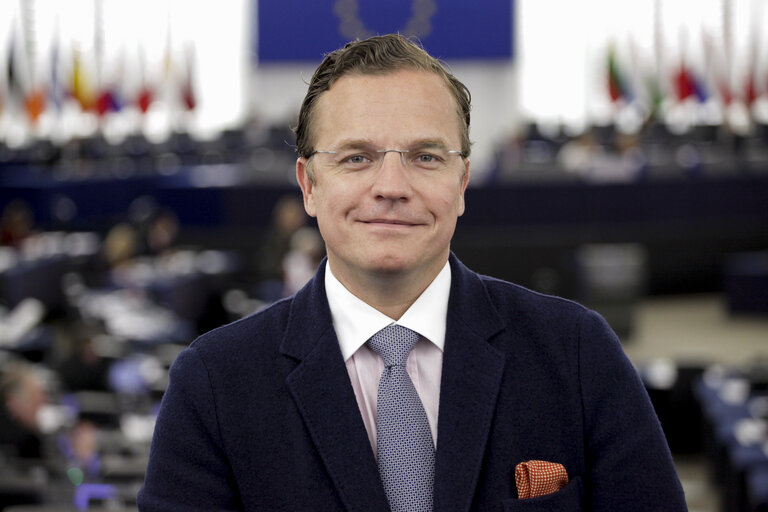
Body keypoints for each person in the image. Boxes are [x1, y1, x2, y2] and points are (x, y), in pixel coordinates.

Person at [138, 34, 687, 511]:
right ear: (309, 185)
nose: (392, 186)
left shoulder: (577, 353)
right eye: (356, 157)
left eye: (426, 156)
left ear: (463, 183)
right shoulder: (212, 385)